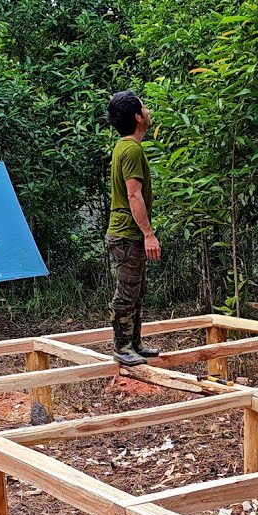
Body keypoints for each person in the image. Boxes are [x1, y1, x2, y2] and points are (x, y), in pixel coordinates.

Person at [105, 90, 162, 366]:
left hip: (128, 233)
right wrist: (148, 234)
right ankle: (122, 345)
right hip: (127, 233)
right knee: (127, 290)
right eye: (144, 107)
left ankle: (134, 343)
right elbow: (133, 195)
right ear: (138, 118)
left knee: (137, 289)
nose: (148, 111)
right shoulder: (131, 150)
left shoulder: (125, 147)